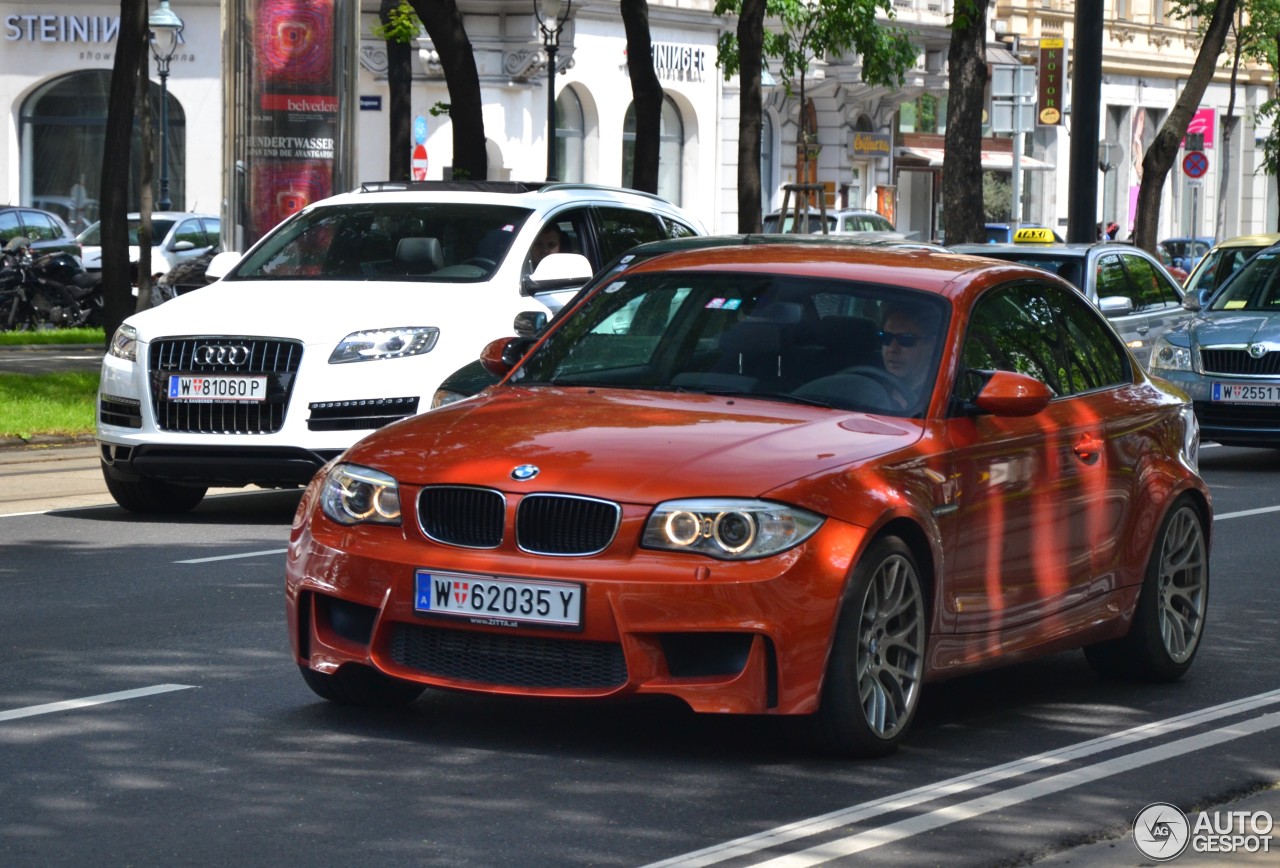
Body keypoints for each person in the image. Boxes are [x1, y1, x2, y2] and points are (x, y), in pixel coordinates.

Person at [878, 300, 938, 410]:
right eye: (886, 337)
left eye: (906, 339)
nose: (892, 348)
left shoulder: (941, 396)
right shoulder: (867, 385)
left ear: (930, 345)